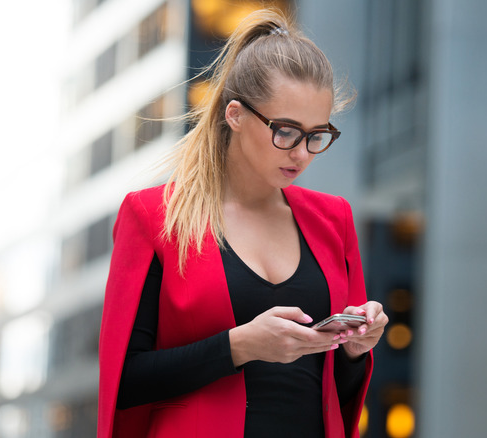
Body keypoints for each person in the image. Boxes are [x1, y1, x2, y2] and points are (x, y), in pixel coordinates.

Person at [97, 9, 388, 438]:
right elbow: (124, 382)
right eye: (285, 131)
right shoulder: (155, 216)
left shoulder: (334, 219)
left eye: (316, 135)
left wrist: (355, 350)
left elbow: (335, 392)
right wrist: (238, 346)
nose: (301, 153)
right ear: (235, 115)